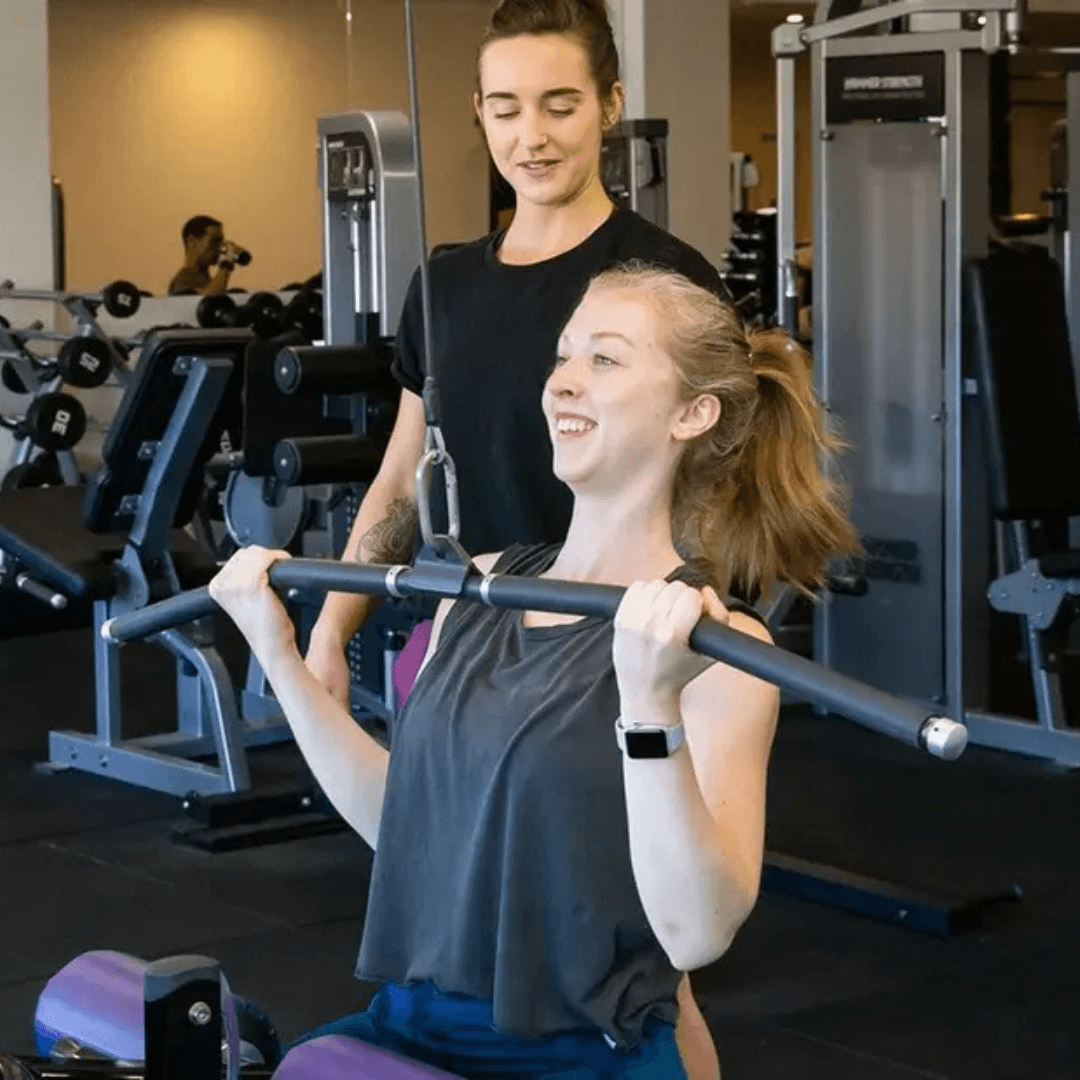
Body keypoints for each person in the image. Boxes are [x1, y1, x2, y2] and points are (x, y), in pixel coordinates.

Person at [210, 264, 861, 1079]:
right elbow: (406, 828)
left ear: (693, 413)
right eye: (562, 358)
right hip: (410, 1030)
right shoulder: (476, 590)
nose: (564, 384)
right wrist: (277, 655)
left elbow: (696, 934)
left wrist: (652, 709)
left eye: (606, 360)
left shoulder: (716, 654)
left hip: (578, 1057)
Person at [308, 4, 731, 1069]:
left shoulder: (656, 275)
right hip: (469, 624)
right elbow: (402, 477)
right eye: (505, 108)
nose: (530, 134)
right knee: (449, 903)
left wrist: (683, 642)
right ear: (480, 118)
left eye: (558, 104)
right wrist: (328, 628)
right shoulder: (443, 287)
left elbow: (706, 475)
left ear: (610, 109)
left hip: (600, 648)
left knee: (632, 964)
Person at [167, 214, 246, 296]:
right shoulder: (182, 281)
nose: (219, 249)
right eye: (214, 241)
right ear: (192, 241)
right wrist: (227, 263)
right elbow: (207, 300)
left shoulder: (207, 281)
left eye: (221, 243)